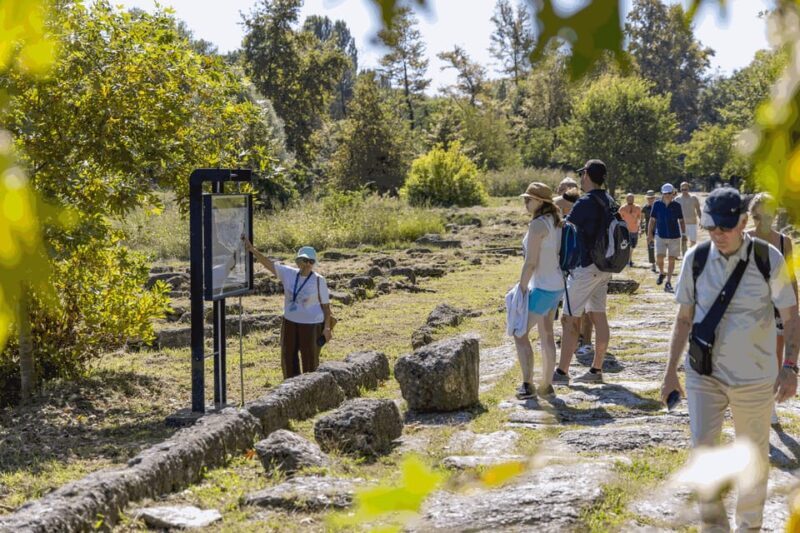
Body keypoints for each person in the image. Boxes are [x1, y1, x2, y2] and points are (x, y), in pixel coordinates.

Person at [661, 187, 798, 532]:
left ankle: (749, 526)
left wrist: (790, 367)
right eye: (712, 228)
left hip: (755, 379)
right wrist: (669, 373)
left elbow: (792, 316)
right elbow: (683, 319)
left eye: (724, 227)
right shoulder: (695, 259)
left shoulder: (769, 259)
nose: (717, 235)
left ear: (741, 222)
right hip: (704, 375)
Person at [553, 159, 613, 384]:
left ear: (586, 174)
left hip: (586, 268)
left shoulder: (585, 202)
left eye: (582, 173)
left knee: (569, 319)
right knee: (599, 316)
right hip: (604, 267)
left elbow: (565, 227)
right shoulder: (609, 199)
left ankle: (561, 372)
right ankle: (596, 370)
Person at [243, 240, 333, 379]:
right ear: (298, 261)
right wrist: (252, 250)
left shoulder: (318, 280)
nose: (308, 264)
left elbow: (327, 308)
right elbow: (269, 264)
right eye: (304, 260)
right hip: (290, 321)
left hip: (311, 324)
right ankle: (291, 388)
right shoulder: (289, 274)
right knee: (288, 357)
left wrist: (327, 328)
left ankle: (311, 388)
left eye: (311, 261)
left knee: (310, 360)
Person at [747, 192, 799, 425]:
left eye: (767, 215)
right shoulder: (744, 238)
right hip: (750, 305)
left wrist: (795, 307)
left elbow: (790, 276)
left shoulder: (783, 241)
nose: (762, 221)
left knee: (775, 355)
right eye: (757, 216)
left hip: (777, 304)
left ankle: (769, 405)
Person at [512, 182, 564, 399]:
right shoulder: (556, 221)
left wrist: (521, 289)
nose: (525, 202)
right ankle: (547, 384)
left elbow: (530, 262)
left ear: (540, 202)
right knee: (547, 334)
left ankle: (527, 384)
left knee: (520, 333)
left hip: (541, 287)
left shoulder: (537, 226)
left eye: (529, 199)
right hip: (557, 285)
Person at [648, 183, 685, 293]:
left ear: (673, 193)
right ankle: (662, 272)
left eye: (669, 193)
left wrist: (684, 234)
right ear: (662, 193)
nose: (668, 195)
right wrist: (649, 234)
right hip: (660, 235)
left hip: (674, 236)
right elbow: (652, 220)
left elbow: (681, 221)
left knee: (671, 259)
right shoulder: (657, 204)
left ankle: (668, 282)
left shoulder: (677, 206)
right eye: (665, 193)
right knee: (659, 257)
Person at [676, 181, 702, 256]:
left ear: (688, 189)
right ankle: (685, 256)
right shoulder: (677, 199)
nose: (684, 191)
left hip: (693, 223)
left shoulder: (694, 198)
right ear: (680, 189)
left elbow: (698, 210)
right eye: (683, 189)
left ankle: (690, 254)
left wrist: (701, 220)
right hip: (682, 224)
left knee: (693, 241)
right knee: (683, 241)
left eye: (686, 189)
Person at [619, 193, 642, 267]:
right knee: (627, 246)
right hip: (625, 230)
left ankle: (629, 260)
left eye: (631, 198)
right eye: (629, 198)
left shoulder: (637, 207)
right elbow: (619, 219)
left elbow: (639, 219)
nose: (630, 200)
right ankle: (627, 261)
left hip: (634, 230)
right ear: (626, 199)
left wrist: (639, 228)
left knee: (633, 246)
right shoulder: (622, 208)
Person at [642, 190, 657, 273]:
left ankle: (659, 261)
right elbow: (642, 219)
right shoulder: (645, 208)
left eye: (652, 198)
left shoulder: (658, 206)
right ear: (647, 198)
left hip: (658, 229)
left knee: (658, 247)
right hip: (649, 230)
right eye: (649, 198)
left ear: (654, 198)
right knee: (651, 247)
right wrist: (641, 228)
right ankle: (653, 264)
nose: (650, 199)